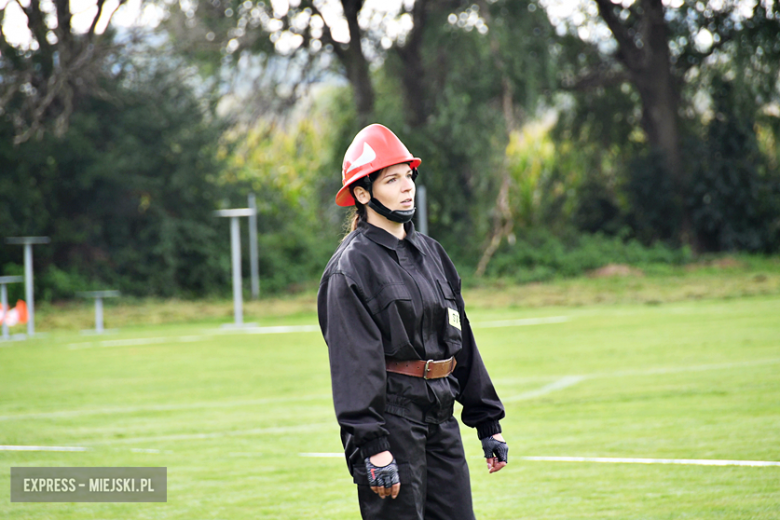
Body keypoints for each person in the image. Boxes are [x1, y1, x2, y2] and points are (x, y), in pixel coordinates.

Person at [317, 124, 508, 520]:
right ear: (362, 193)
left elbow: (461, 340)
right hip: (391, 424)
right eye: (392, 179)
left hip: (441, 419)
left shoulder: (432, 254)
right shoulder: (350, 270)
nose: (407, 187)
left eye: (408, 176)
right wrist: (372, 445)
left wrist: (487, 421)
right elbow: (355, 366)